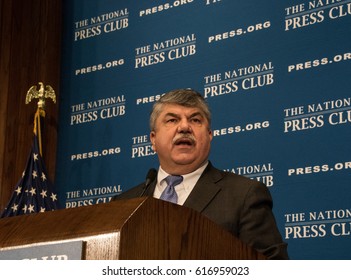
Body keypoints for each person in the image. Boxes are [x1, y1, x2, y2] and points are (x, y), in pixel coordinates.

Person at [115, 88, 288, 259]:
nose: (184, 127)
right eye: (172, 120)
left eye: (195, 120)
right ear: (153, 139)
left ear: (209, 135)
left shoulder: (244, 195)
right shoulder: (122, 204)